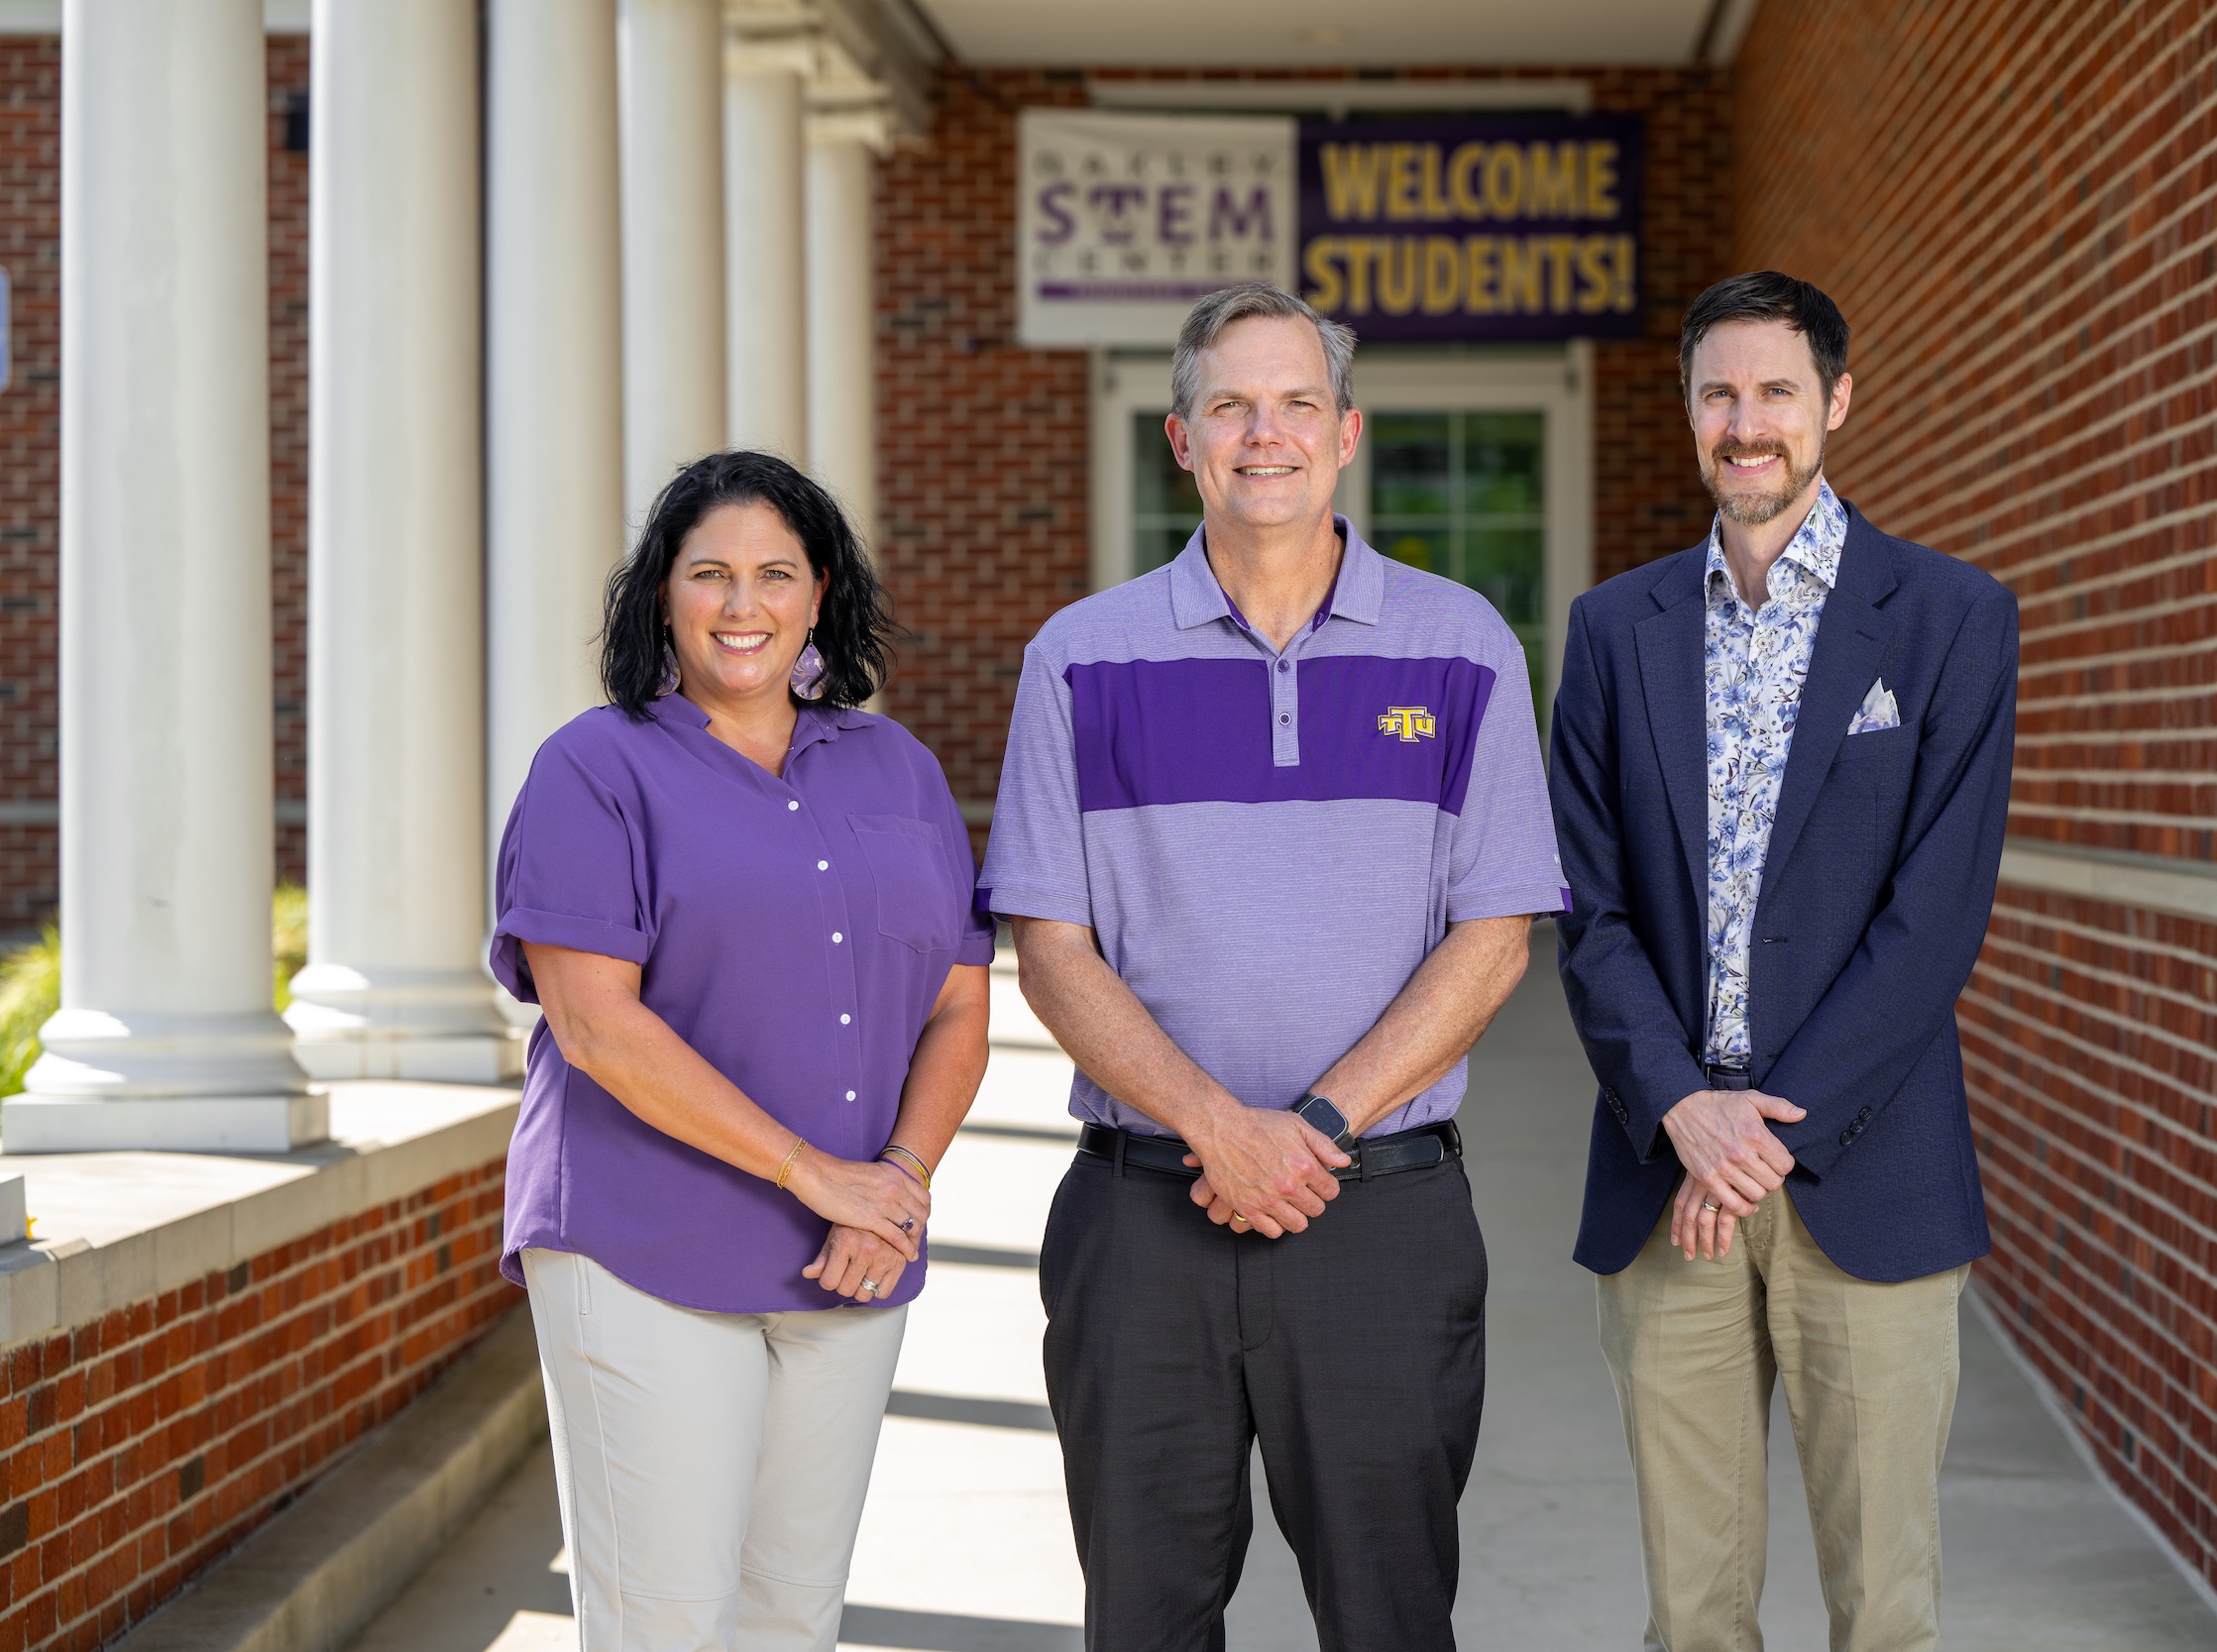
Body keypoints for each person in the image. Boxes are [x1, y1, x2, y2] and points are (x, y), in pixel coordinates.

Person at [979, 281, 1566, 1651]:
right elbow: (1051, 950)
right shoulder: (1079, 659)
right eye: (1230, 405)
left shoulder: (1462, 642)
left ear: (1346, 431)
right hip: (1142, 1224)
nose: (1266, 432)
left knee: (1390, 1616)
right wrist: (1215, 1129)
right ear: (1181, 439)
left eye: (1297, 402)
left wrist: (1307, 1130)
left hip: (1379, 1215)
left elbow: (1495, 938)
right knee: (1145, 1619)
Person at [1550, 273, 2018, 1652]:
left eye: (1776, 392)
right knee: (1694, 1610)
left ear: (1836, 404)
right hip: (1665, 1171)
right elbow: (1587, 903)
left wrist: (1755, 1134)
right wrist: (1686, 1107)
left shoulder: (1946, 617)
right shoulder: (1612, 631)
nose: (1745, 423)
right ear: (1688, 410)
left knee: (1885, 1606)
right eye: (1718, 393)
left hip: (1867, 1171)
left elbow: (1934, 921)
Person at [490, 450, 992, 1651]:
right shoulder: (593, 767)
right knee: (667, 1621)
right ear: (662, 592)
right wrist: (818, 1173)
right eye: (708, 572)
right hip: (641, 1242)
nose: (741, 603)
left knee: (791, 1618)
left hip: (852, 1255)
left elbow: (958, 1006)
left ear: (820, 592)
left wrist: (898, 1186)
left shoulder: (896, 768)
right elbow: (597, 1022)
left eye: (774, 573)